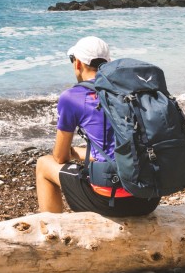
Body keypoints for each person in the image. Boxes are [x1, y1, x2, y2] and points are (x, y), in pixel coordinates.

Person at [35, 35, 160, 217]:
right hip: (149, 198)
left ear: (78, 63)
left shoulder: (72, 97)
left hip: (109, 201)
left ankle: (52, 232)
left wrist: (76, 152)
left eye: (72, 60)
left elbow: (60, 157)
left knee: (43, 164)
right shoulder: (130, 90)